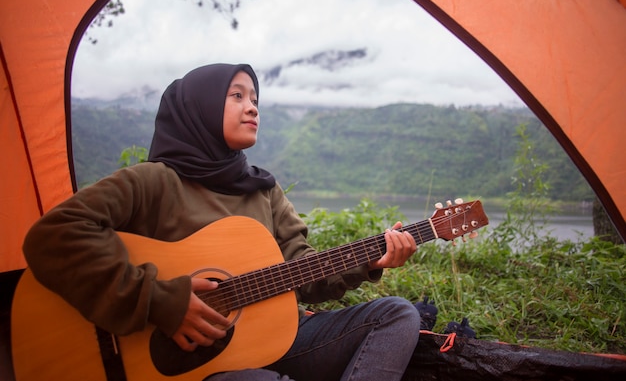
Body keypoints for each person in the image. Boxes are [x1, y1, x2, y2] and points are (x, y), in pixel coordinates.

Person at [23, 63, 420, 381]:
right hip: (186, 364)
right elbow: (55, 235)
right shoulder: (154, 181)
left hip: (277, 339)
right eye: (237, 96)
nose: (253, 107)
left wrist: (370, 260)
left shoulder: (263, 190)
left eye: (255, 98)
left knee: (398, 315)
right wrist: (162, 302)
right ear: (200, 107)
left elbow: (306, 273)